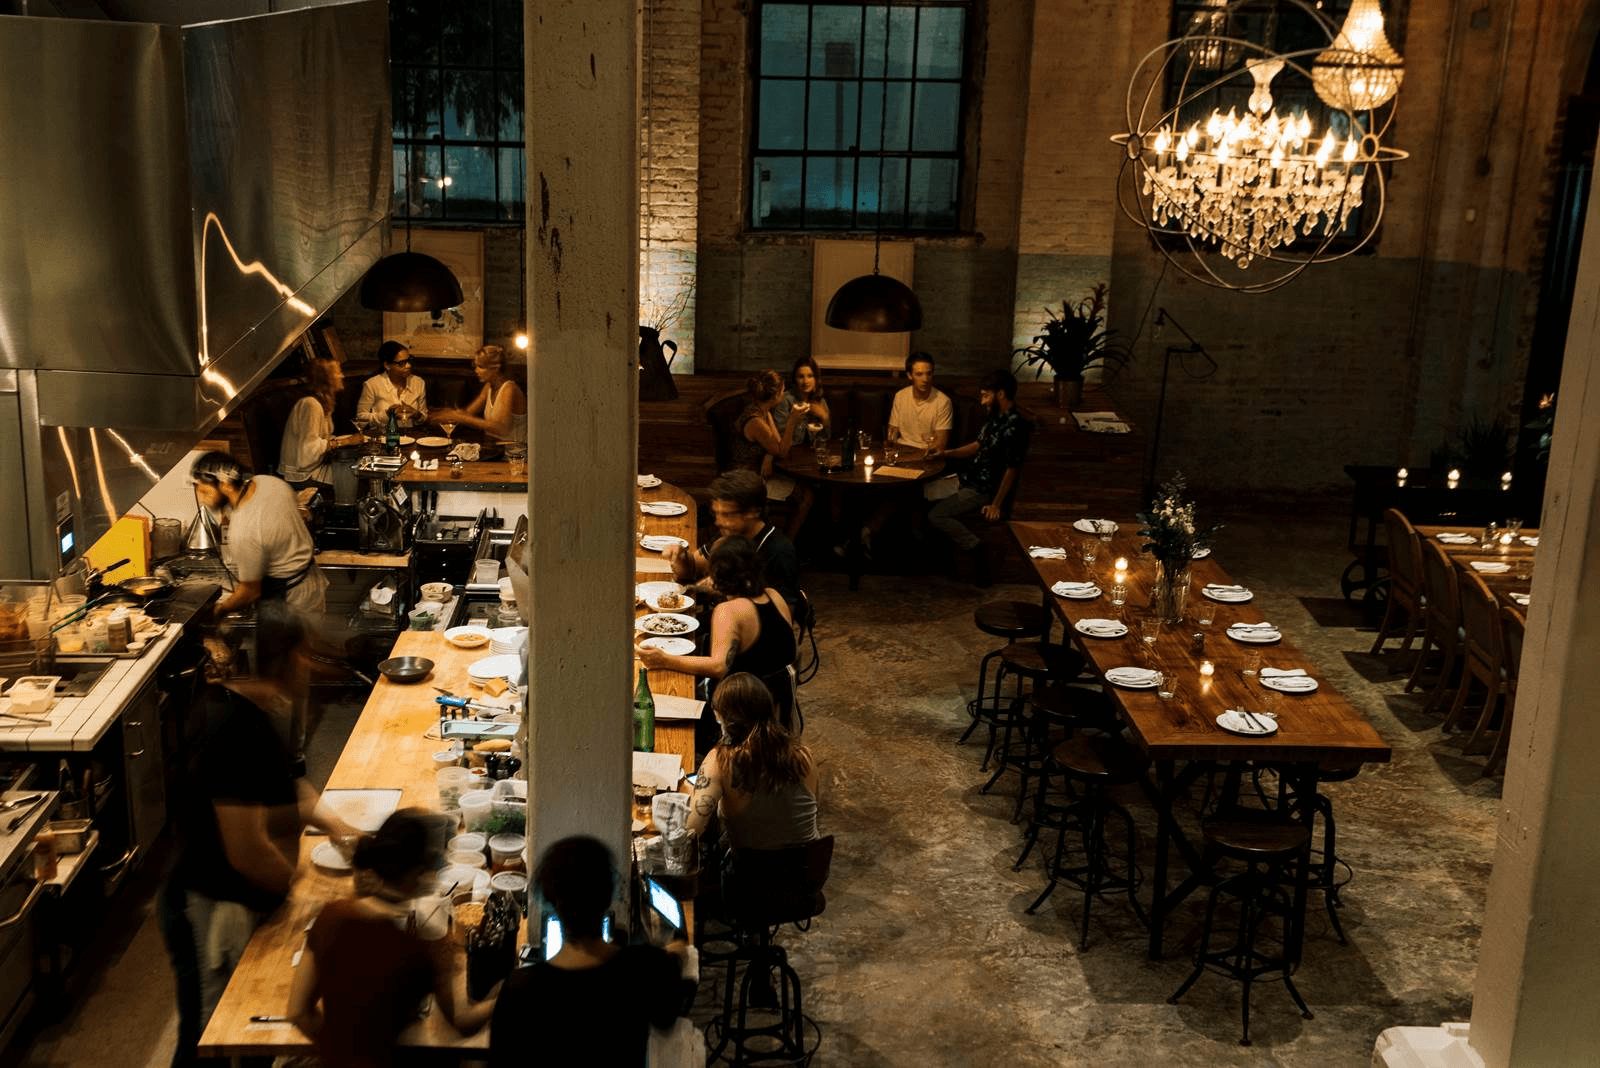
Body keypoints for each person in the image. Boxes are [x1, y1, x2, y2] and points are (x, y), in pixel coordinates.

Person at [158, 613, 357, 1068]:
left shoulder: (264, 711)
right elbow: (247, 851)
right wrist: (304, 893)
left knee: (251, 1033)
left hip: (241, 897)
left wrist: (342, 830)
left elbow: (295, 791)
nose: (310, 665)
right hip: (205, 905)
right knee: (211, 1037)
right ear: (284, 661)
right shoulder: (230, 729)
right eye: (304, 654)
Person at [288, 809, 497, 1068]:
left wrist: (339, 1052)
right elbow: (462, 1023)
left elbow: (297, 1012)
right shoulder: (420, 952)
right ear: (419, 873)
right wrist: (501, 996)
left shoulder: (330, 917)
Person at [488, 836, 691, 1068]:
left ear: (552, 901)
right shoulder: (644, 967)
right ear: (608, 896)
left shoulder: (520, 989)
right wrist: (672, 956)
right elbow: (666, 1016)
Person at [639, 536, 797, 756]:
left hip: (739, 717)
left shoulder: (730, 612)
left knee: (653, 708)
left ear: (718, 576)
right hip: (778, 710)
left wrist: (664, 659)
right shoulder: (774, 596)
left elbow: (718, 666)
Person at [686, 672, 819, 852]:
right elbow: (798, 812)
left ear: (726, 720)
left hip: (752, 873)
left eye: (719, 719)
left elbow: (692, 831)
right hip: (808, 869)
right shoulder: (804, 757)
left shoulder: (720, 761)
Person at [927, 368, 1032, 585]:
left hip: (982, 489)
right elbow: (977, 446)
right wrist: (945, 453)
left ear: (1000, 394)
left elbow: (1012, 469)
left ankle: (976, 549)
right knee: (920, 494)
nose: (982, 401)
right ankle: (938, 562)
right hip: (966, 478)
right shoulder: (994, 419)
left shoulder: (1016, 427)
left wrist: (996, 504)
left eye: (986, 395)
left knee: (937, 515)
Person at [190, 451, 327, 617]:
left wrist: (220, 610)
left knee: (296, 643)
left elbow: (250, 591)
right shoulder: (269, 482)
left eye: (205, 492)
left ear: (225, 484)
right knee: (310, 641)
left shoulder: (243, 530)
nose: (202, 499)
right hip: (311, 580)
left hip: (291, 600)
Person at [665, 469, 799, 611]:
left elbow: (784, 616)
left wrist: (729, 590)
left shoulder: (779, 552)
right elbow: (692, 569)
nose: (718, 521)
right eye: (716, 513)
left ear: (753, 512)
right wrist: (681, 556)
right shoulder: (730, 535)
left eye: (727, 515)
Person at [729, 368, 814, 531]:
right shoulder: (756, 421)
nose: (784, 393)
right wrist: (792, 421)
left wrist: (769, 454)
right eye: (782, 390)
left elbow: (776, 446)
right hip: (749, 479)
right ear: (775, 396)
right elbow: (782, 451)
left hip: (759, 471)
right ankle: (787, 543)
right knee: (807, 495)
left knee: (806, 488)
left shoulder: (762, 410)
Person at [280, 355, 363, 488]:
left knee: (357, 472)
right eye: (337, 372)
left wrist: (350, 439)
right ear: (325, 378)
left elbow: (321, 440)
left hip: (314, 468)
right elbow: (308, 450)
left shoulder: (324, 402)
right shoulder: (310, 405)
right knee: (355, 480)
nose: (342, 376)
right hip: (301, 476)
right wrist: (345, 442)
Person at [433, 344, 526, 442]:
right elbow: (468, 414)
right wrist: (445, 414)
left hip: (513, 454)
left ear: (496, 368)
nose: (476, 371)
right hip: (493, 449)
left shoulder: (509, 388)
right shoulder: (488, 387)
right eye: (476, 366)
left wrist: (459, 417)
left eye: (481, 367)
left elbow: (501, 428)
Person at [888, 351, 955, 455]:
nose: (925, 379)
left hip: (926, 454)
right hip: (901, 452)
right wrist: (891, 452)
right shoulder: (900, 396)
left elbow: (940, 444)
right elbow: (892, 433)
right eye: (919, 374)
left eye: (928, 374)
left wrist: (922, 455)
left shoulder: (943, 401)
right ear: (910, 375)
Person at [356, 341, 428, 430]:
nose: (408, 366)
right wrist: (387, 415)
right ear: (387, 365)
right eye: (402, 363)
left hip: (410, 436)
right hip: (382, 437)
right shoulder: (372, 384)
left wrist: (416, 414)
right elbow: (360, 419)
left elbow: (424, 418)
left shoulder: (418, 383)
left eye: (409, 360)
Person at [771, 355, 831, 449]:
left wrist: (825, 419)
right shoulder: (784, 400)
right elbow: (781, 438)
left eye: (810, 376)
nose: (805, 381)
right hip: (791, 451)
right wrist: (796, 421)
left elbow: (826, 439)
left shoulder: (820, 401)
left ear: (816, 379)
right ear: (795, 379)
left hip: (812, 453)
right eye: (801, 377)